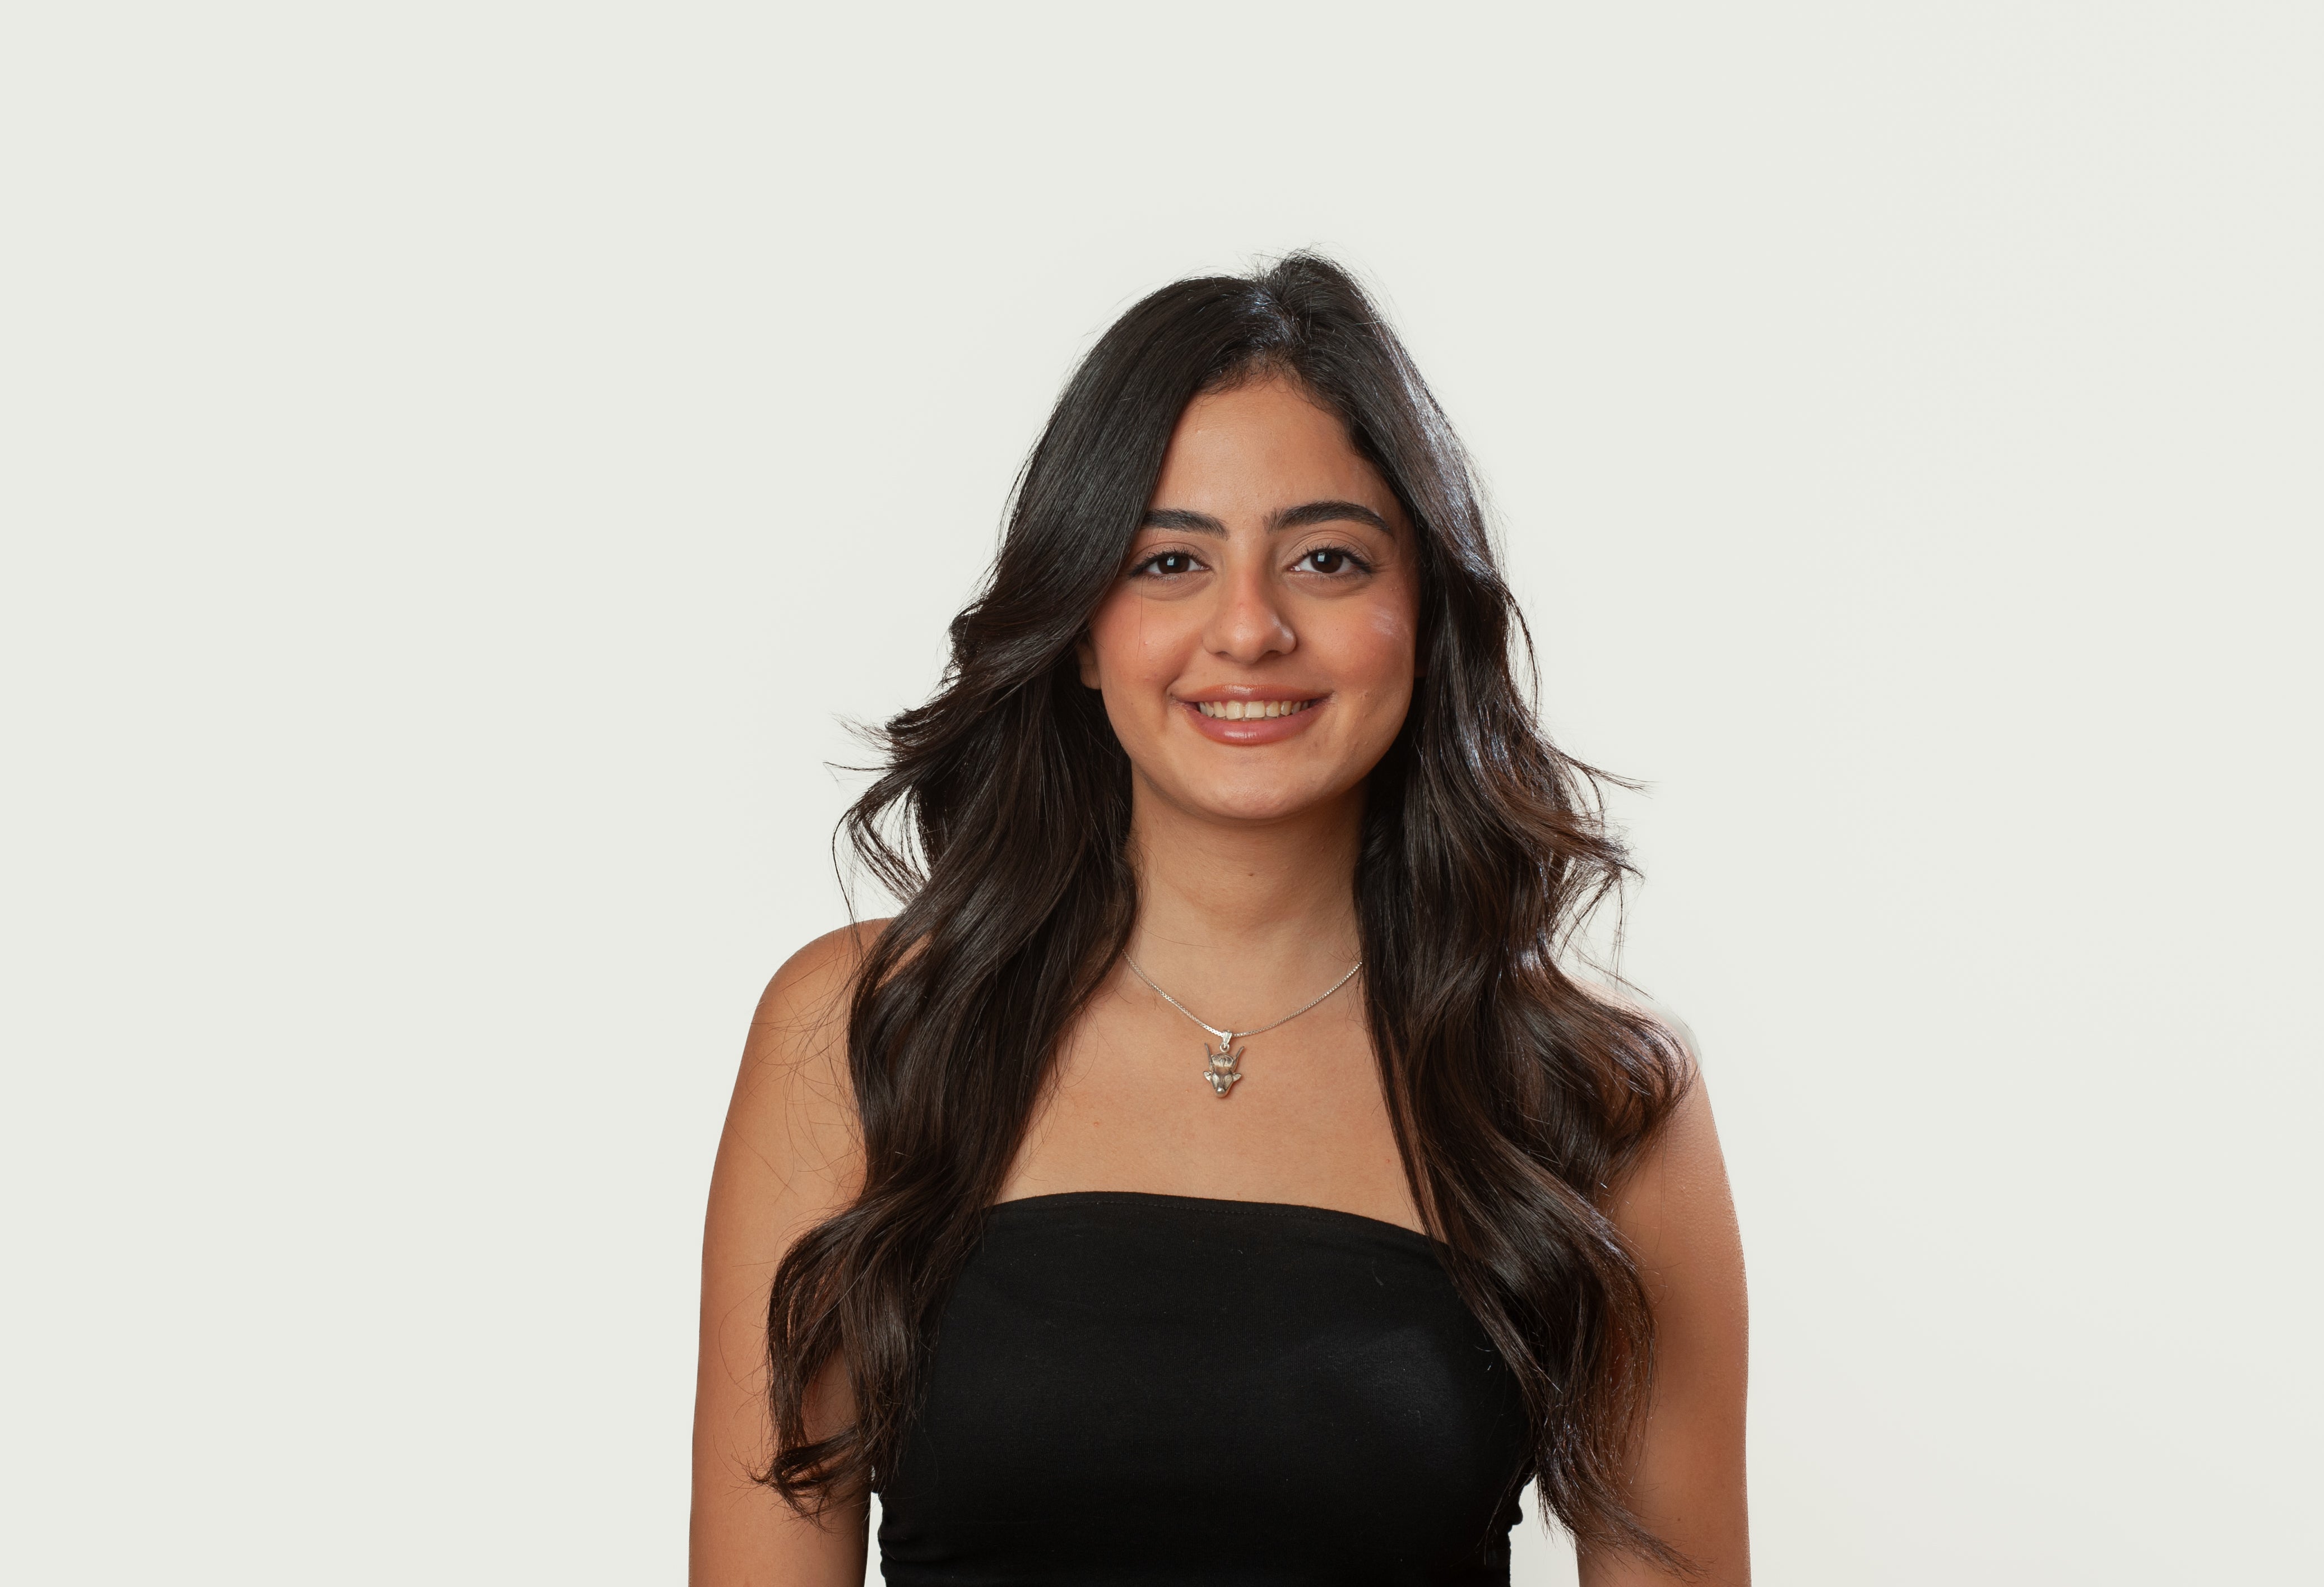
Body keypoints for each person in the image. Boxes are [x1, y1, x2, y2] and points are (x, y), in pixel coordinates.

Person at [691, 254, 1748, 1585]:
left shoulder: (1590, 1091)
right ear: (1079, 624)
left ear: (1420, 613)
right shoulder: (867, 1030)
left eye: (1323, 558)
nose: (1247, 630)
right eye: (1169, 560)